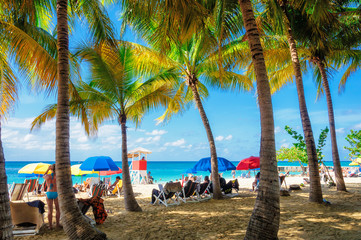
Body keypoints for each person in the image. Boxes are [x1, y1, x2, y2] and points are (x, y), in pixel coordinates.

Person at [43, 164, 61, 229]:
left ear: (51, 169)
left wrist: (47, 169)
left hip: (49, 193)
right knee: (57, 209)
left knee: (50, 210)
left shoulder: (47, 176)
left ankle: (50, 226)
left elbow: (43, 176)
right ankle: (57, 224)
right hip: (56, 192)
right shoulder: (58, 176)